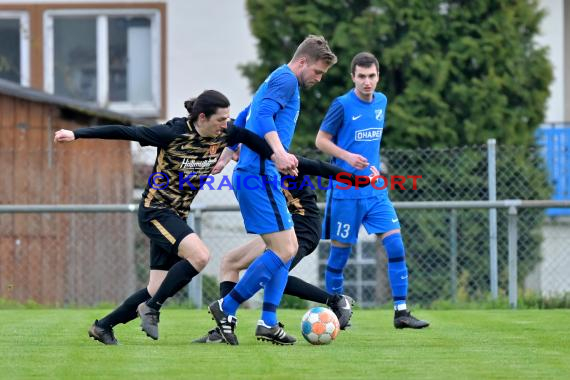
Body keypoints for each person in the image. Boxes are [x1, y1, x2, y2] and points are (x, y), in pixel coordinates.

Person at [54, 90, 278, 345]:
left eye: (228, 119)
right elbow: (126, 131)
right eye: (221, 119)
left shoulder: (226, 133)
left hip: (177, 216)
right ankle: (152, 308)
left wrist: (277, 157)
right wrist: (76, 134)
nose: (227, 125)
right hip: (156, 211)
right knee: (200, 256)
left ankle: (103, 327)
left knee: (154, 287)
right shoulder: (172, 133)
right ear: (202, 117)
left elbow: (252, 139)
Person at [207, 35, 337, 346]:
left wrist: (228, 152)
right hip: (259, 175)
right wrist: (278, 153)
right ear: (303, 61)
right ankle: (227, 307)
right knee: (285, 249)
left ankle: (267, 322)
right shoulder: (287, 80)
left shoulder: (275, 79)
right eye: (318, 72)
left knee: (283, 248)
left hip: (260, 175)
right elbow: (262, 117)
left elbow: (244, 116)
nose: (318, 79)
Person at [193, 152, 378, 344]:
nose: (234, 155)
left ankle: (336, 301)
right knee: (231, 261)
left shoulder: (281, 159)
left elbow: (321, 167)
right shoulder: (250, 171)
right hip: (282, 227)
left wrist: (360, 181)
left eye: (237, 148)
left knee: (271, 275)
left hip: (303, 227)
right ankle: (224, 327)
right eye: (231, 152)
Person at [315, 52, 429, 329]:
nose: (367, 82)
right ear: (353, 77)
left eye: (372, 76)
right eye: (362, 76)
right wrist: (348, 157)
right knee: (340, 256)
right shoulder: (341, 104)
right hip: (345, 191)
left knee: (395, 245)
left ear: (378, 76)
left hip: (375, 189)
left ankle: (401, 312)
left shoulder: (382, 101)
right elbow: (321, 140)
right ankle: (336, 312)